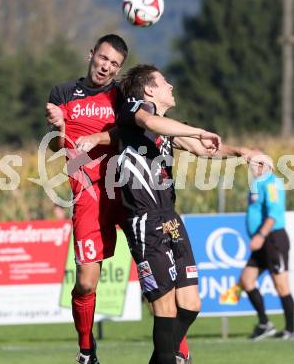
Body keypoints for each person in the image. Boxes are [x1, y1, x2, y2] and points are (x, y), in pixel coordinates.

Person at [113, 64, 263, 363]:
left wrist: (243, 152)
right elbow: (151, 122)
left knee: (191, 304)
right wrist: (197, 129)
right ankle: (169, 357)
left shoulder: (167, 125)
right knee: (164, 307)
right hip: (145, 218)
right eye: (164, 81)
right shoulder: (134, 111)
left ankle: (165, 357)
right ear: (149, 89)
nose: (171, 85)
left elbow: (205, 148)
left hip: (170, 216)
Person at [46, 34, 129, 364]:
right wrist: (58, 125)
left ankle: (177, 351)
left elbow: (134, 129)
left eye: (115, 64)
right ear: (90, 54)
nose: (106, 66)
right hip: (88, 197)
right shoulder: (63, 93)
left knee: (156, 273)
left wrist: (98, 136)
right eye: (103, 58)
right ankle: (86, 349)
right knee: (85, 282)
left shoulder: (121, 95)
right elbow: (56, 146)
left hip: (126, 193)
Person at [239, 155, 294, 341]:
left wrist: (261, 236)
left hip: (272, 239)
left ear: (264, 165)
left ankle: (291, 329)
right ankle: (265, 324)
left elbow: (274, 214)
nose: (250, 167)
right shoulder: (257, 183)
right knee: (247, 280)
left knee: (281, 284)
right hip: (262, 241)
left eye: (253, 164)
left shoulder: (271, 184)